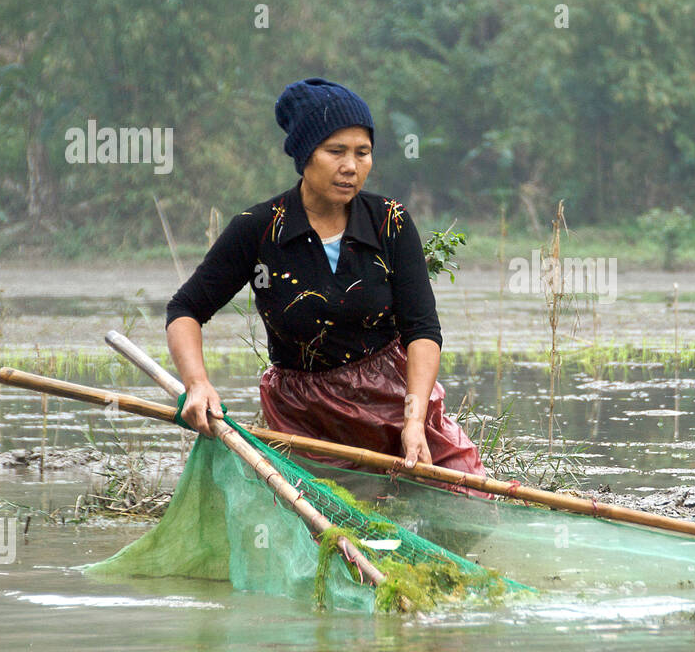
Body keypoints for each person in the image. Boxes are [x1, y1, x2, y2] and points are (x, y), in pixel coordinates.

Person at [165, 77, 487, 485]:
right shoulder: (259, 229)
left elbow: (421, 329)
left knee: (468, 499)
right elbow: (185, 310)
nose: (351, 166)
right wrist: (198, 385)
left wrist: (415, 418)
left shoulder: (390, 222)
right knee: (336, 525)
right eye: (336, 151)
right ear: (305, 156)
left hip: (395, 397)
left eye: (363, 152)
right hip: (307, 416)